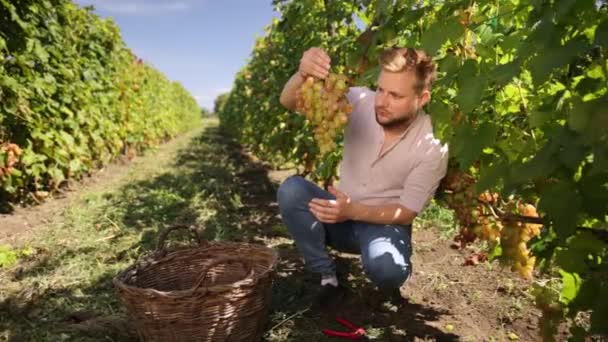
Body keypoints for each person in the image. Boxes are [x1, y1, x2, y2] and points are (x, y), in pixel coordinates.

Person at [276, 46, 449, 309]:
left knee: (387, 269)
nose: (382, 101)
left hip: (382, 227)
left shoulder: (432, 146)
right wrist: (302, 74)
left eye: (396, 95)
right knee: (292, 191)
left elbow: (407, 212)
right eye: (381, 89)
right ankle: (326, 275)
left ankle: (391, 275)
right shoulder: (358, 102)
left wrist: (352, 210)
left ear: (422, 98)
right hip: (339, 221)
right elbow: (289, 101)